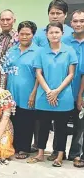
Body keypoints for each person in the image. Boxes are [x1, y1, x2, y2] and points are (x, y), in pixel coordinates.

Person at [28, 22, 77, 167]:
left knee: (61, 128)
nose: (54, 35)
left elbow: (71, 74)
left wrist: (57, 91)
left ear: (62, 33)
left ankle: (60, 155)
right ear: (46, 35)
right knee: (43, 126)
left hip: (63, 96)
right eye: (51, 33)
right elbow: (38, 73)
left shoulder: (69, 51)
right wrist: (49, 91)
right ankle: (41, 153)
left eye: (57, 32)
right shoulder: (41, 52)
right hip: (45, 96)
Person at [3, 21, 39, 160]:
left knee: (26, 121)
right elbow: (5, 72)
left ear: (33, 35)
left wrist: (34, 93)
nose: (24, 36)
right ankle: (12, 147)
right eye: (21, 34)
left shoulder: (38, 52)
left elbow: (39, 76)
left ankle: (24, 148)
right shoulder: (11, 51)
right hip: (11, 93)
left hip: (28, 94)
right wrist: (3, 92)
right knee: (12, 120)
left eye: (27, 34)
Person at [63, 10, 84, 167]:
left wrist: (80, 95)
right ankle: (59, 152)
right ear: (71, 24)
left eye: (82, 21)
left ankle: (76, 154)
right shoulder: (64, 42)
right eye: (75, 21)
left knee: (80, 124)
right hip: (65, 90)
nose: (78, 24)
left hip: (82, 91)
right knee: (61, 124)